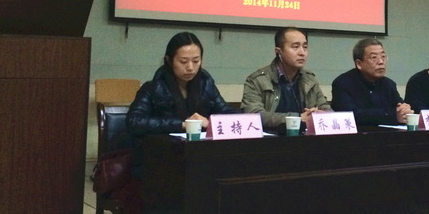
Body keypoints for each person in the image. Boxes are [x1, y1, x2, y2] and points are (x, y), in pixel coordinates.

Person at [127, 32, 238, 175]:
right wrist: (182, 124)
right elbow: (134, 122)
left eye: (196, 61)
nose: (190, 67)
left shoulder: (206, 85)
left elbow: (230, 114)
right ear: (169, 60)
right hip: (160, 158)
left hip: (199, 156)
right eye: (183, 61)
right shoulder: (152, 88)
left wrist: (210, 122)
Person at [241, 26, 331, 133]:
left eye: (305, 47)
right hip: (270, 138)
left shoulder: (309, 79)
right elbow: (254, 115)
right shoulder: (257, 80)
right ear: (279, 52)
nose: (302, 52)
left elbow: (326, 109)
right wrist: (297, 118)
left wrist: (319, 114)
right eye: (295, 47)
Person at [331, 38, 413, 126]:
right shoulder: (342, 83)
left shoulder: (389, 84)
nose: (381, 62)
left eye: (383, 57)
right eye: (374, 57)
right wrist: (392, 115)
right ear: (359, 64)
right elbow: (351, 115)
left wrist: (405, 110)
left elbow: (400, 107)